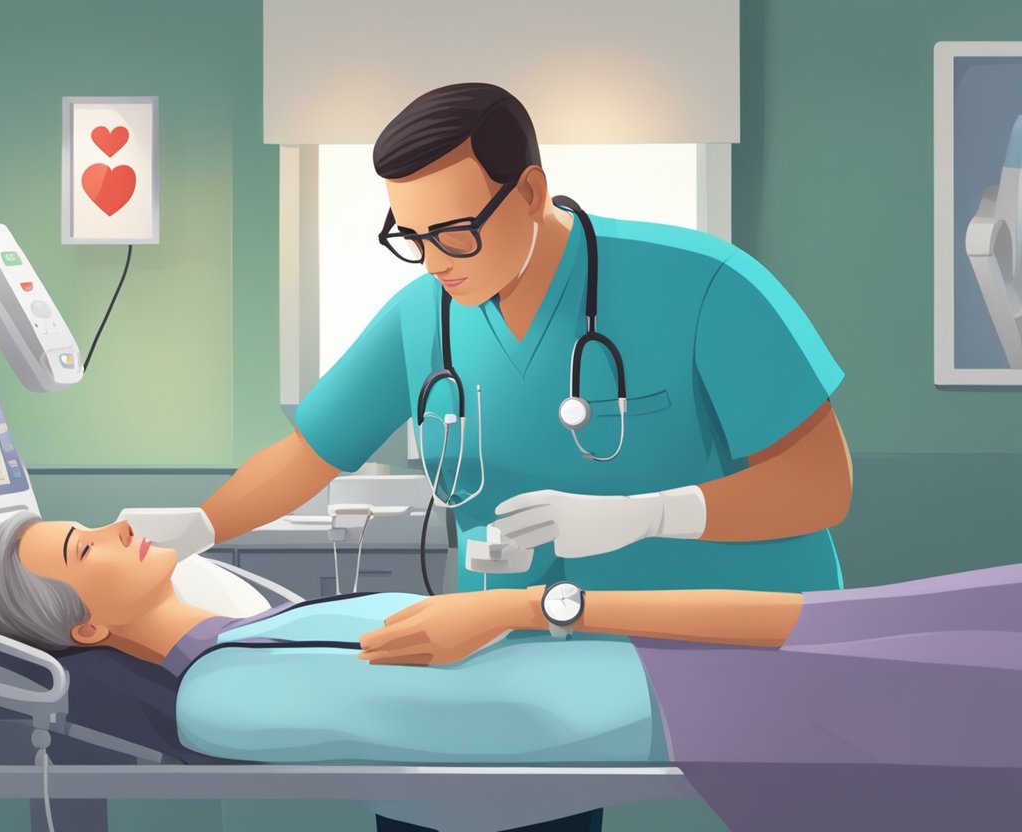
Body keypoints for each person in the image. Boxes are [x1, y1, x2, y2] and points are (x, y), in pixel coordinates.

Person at [120, 81, 854, 830]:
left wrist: (646, 516)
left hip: (700, 646)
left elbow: (821, 485)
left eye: (454, 231)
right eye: (410, 236)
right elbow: (312, 452)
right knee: (432, 783)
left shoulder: (704, 284)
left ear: (529, 192)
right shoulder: (426, 315)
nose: (434, 261)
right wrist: (202, 526)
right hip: (510, 642)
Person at [0, 513, 1022, 832]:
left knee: (946, 614)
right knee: (966, 686)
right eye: (84, 547)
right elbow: (496, 724)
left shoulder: (253, 623)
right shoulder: (224, 691)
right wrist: (528, 615)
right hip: (670, 694)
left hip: (656, 649)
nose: (118, 526)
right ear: (87, 623)